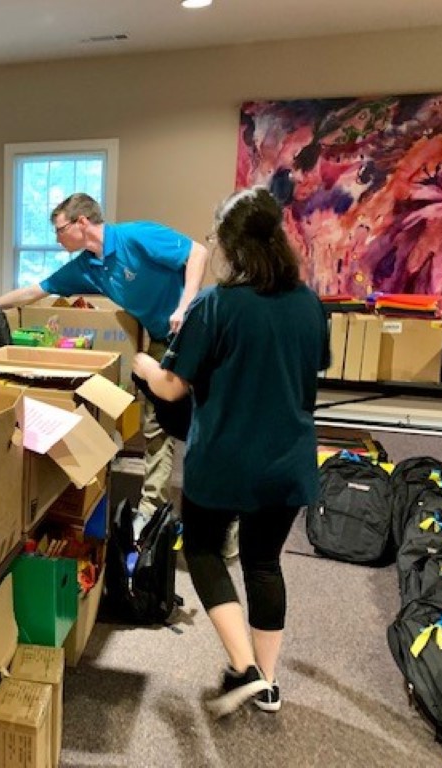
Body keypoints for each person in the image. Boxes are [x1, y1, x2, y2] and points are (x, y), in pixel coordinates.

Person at [131, 186, 329, 717]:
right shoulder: (310, 305)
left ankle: (243, 668)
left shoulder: (216, 305)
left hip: (224, 460)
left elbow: (172, 388)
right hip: (287, 462)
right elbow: (309, 374)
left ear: (232, 247)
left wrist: (144, 366)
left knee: (201, 551)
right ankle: (268, 681)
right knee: (264, 562)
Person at [0, 193, 208, 540]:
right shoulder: (87, 266)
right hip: (160, 339)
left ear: (81, 222)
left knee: (208, 424)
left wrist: (184, 306)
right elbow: (35, 291)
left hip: (198, 328)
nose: (57, 238)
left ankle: (224, 527)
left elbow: (197, 252)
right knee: (157, 427)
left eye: (59, 230)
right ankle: (153, 513)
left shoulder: (135, 236)